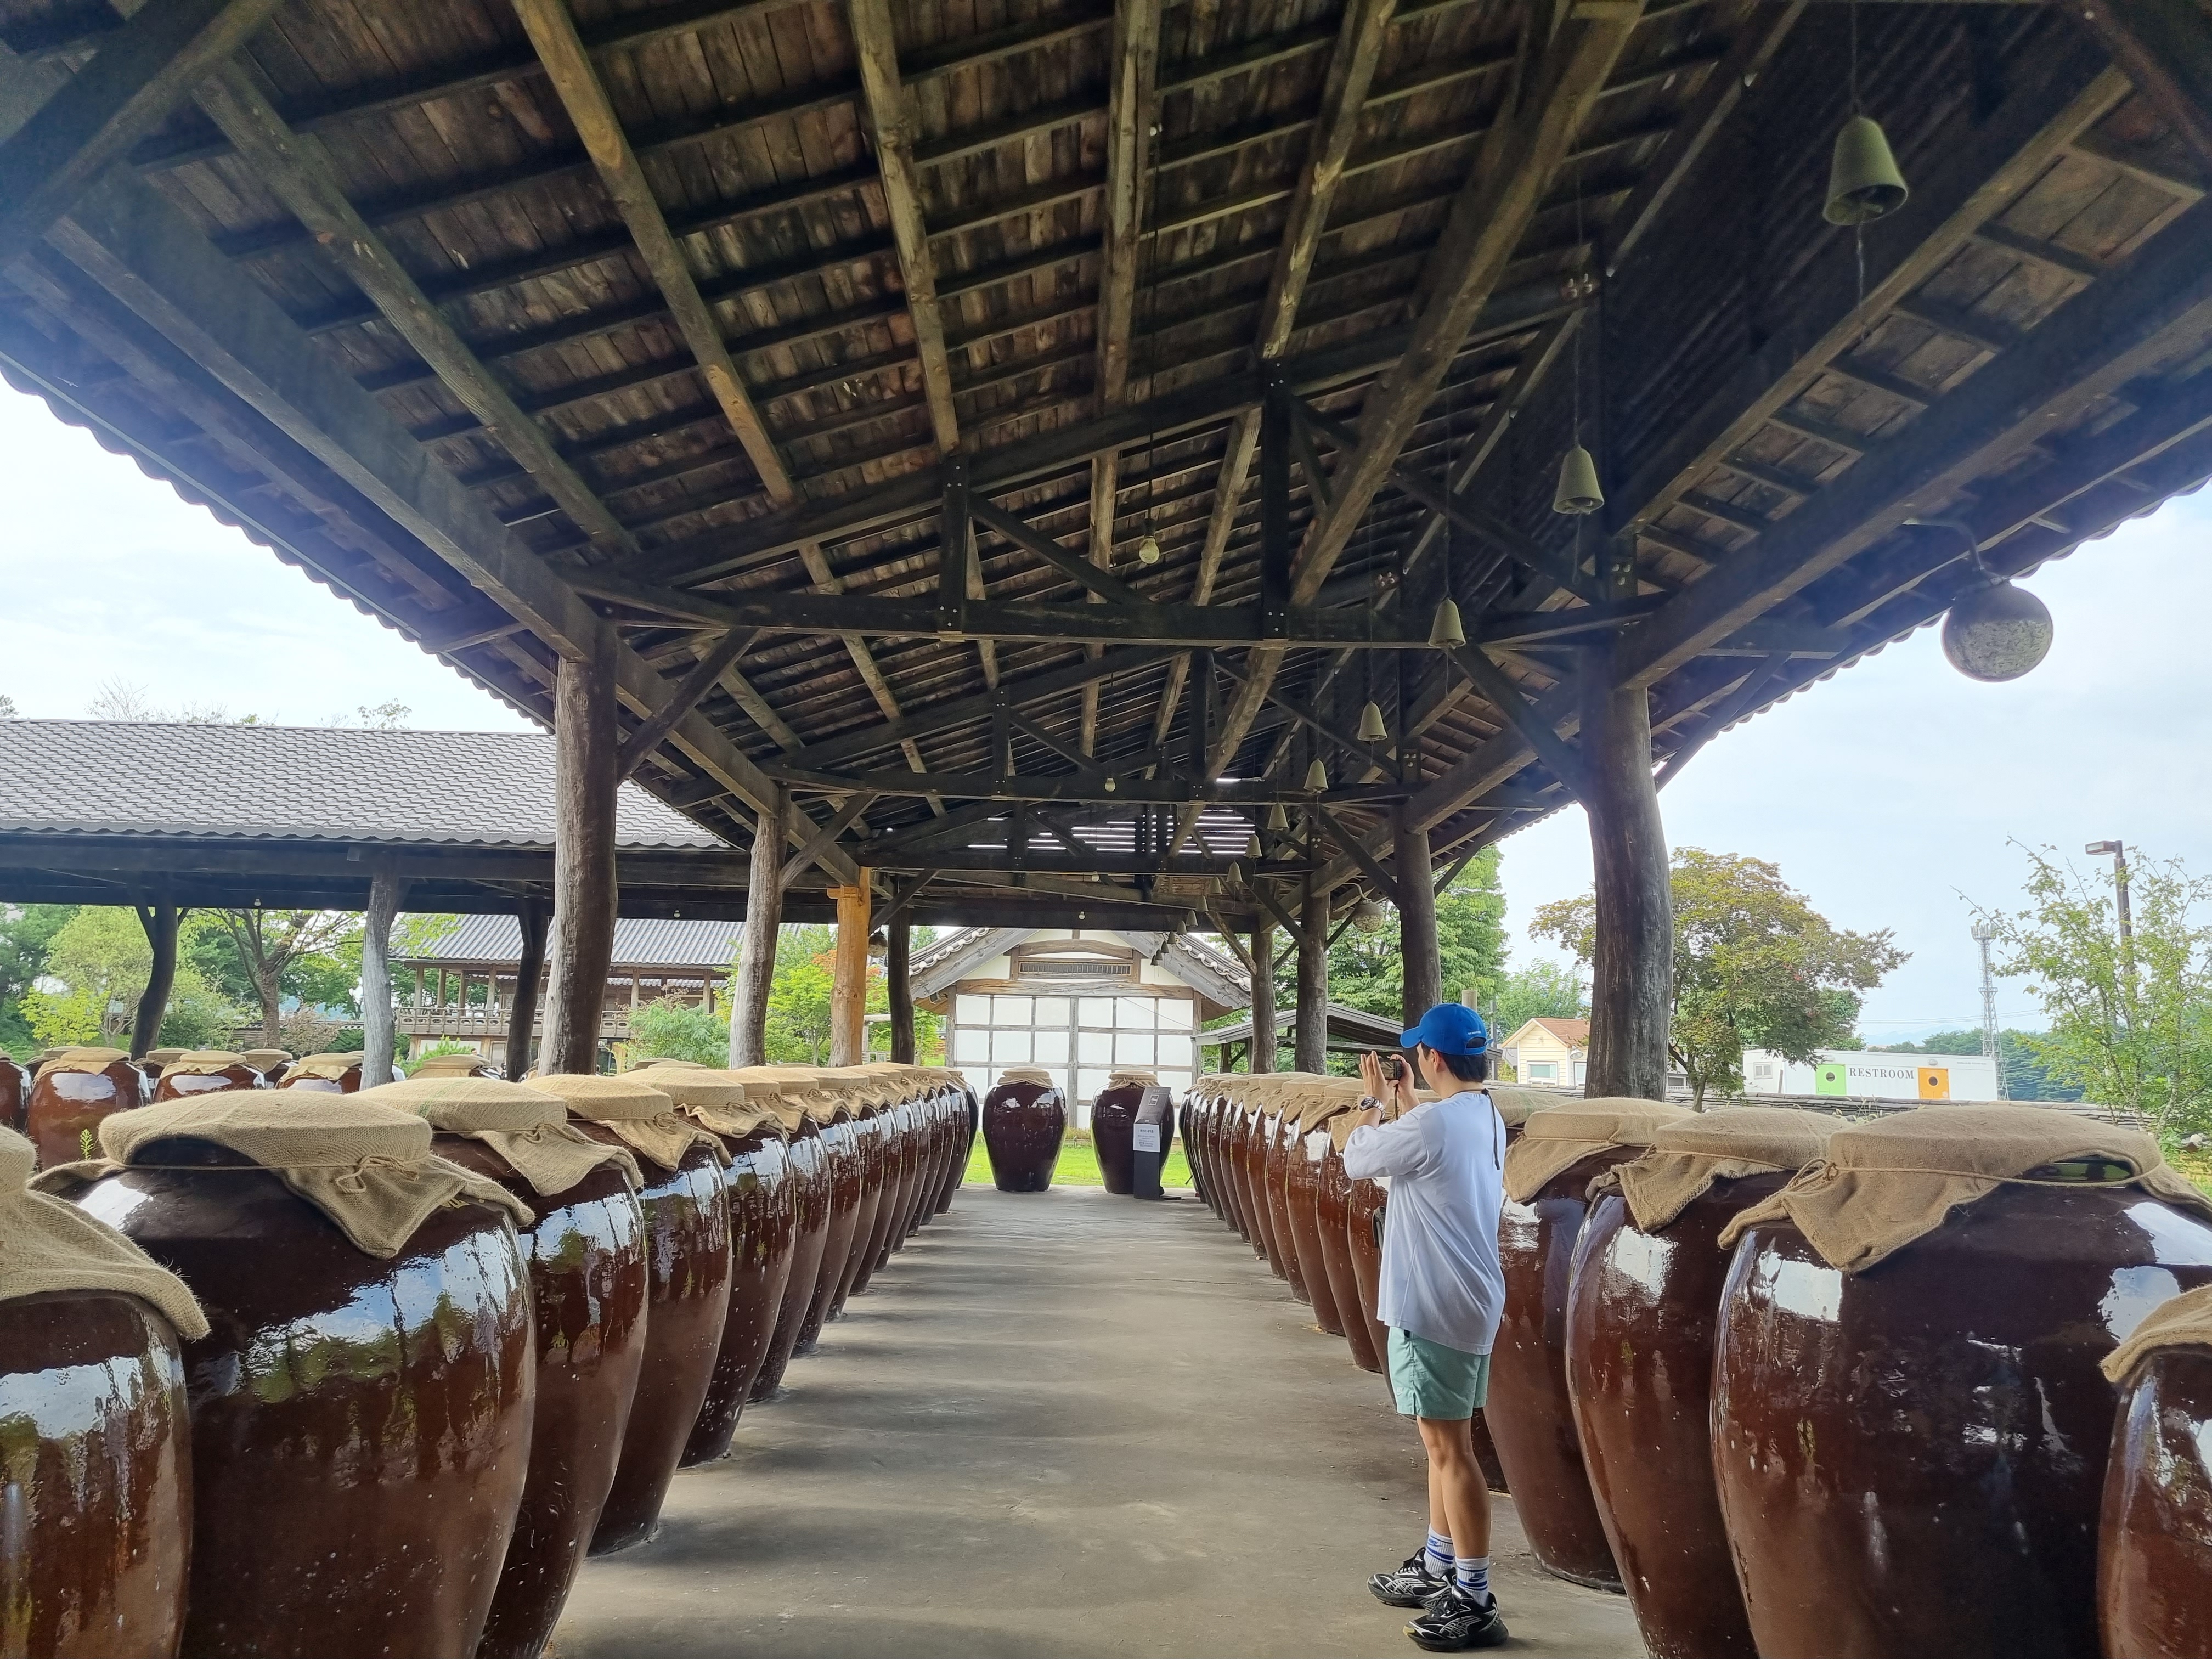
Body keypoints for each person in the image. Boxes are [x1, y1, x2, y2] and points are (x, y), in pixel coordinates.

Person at [1344, 1002, 1508, 1652]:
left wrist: (1373, 1101)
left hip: (1432, 1304)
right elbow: (1422, 1165)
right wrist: (1408, 1103)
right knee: (1444, 1444)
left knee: (1451, 1451)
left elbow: (1359, 1159)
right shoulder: (1483, 1116)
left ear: (1432, 1057)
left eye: (1418, 1052)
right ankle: (1440, 1564)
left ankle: (1475, 1597)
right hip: (1468, 1297)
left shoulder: (1436, 1122)